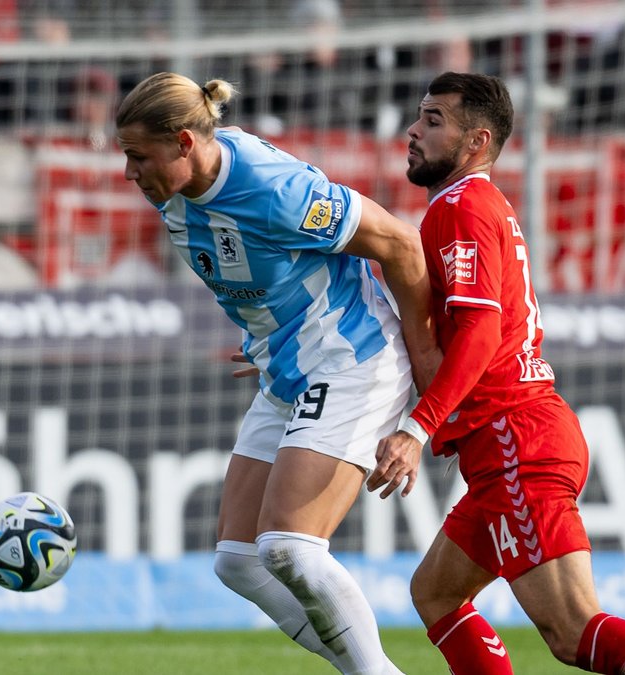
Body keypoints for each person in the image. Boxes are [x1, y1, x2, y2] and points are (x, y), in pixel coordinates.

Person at [368, 72, 625, 675]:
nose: (413, 132)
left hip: (512, 440)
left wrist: (416, 428)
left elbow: (480, 335)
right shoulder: (480, 205)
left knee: (571, 630)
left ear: (476, 141)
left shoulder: (461, 207)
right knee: (436, 593)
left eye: (433, 120)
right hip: (518, 438)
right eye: (418, 116)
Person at [114, 72, 437, 674]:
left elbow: (401, 245)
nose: (130, 173)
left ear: (185, 142)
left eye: (139, 156)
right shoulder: (179, 192)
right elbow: (262, 267)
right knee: (238, 559)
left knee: (290, 547)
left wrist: (426, 374)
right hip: (284, 367)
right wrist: (265, 333)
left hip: (351, 356)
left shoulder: (274, 190)